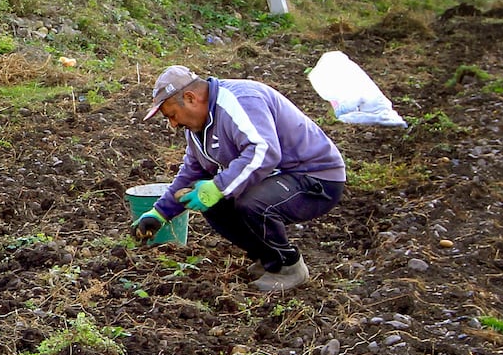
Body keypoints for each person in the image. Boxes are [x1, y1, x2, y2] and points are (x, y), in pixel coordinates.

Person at [133, 66, 346, 292]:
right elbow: (192, 172)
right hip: (279, 178)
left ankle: (289, 266)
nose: (173, 125)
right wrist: (159, 214)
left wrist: (218, 186)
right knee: (214, 203)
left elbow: (264, 151)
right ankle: (268, 260)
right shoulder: (197, 129)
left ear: (190, 98)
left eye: (172, 115)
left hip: (316, 177)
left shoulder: (239, 100)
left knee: (249, 201)